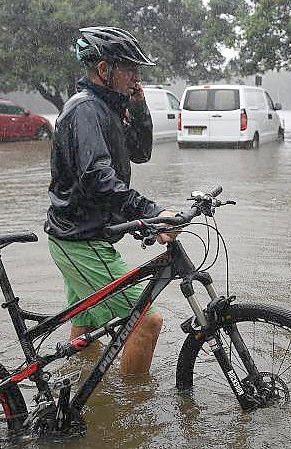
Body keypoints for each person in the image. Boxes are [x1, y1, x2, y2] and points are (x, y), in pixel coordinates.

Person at [45, 26, 175, 375]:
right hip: (81, 240)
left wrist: (138, 104)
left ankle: (76, 394)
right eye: (130, 69)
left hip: (82, 233)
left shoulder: (107, 107)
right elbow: (97, 179)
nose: (136, 77)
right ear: (104, 70)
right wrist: (151, 212)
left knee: (86, 323)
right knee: (146, 321)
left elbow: (140, 152)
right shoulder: (85, 111)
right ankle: (131, 415)